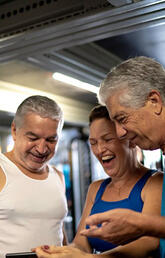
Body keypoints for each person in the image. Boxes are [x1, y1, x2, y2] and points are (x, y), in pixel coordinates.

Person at [34, 105, 163, 258]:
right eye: (93, 143)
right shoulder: (96, 188)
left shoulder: (156, 182)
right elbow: (82, 243)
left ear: (130, 140)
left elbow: (149, 243)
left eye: (107, 139)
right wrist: (62, 252)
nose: (100, 149)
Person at [80, 56, 165, 257]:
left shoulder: (155, 181)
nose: (120, 133)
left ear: (154, 102)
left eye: (122, 118)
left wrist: (139, 223)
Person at [0, 95, 68, 258]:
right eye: (33, 138)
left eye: (51, 140)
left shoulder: (58, 176)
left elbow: (58, 230)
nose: (42, 148)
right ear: (15, 130)